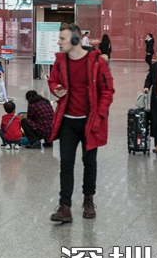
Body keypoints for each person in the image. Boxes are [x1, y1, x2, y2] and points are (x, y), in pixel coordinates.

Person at [47, 23, 114, 223]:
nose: (58, 42)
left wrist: (99, 115)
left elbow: (107, 90)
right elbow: (52, 81)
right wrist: (56, 89)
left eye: (63, 39)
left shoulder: (96, 62)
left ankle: (88, 199)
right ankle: (65, 206)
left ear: (75, 40)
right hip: (67, 121)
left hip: (90, 122)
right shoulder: (60, 61)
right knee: (66, 162)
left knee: (89, 162)